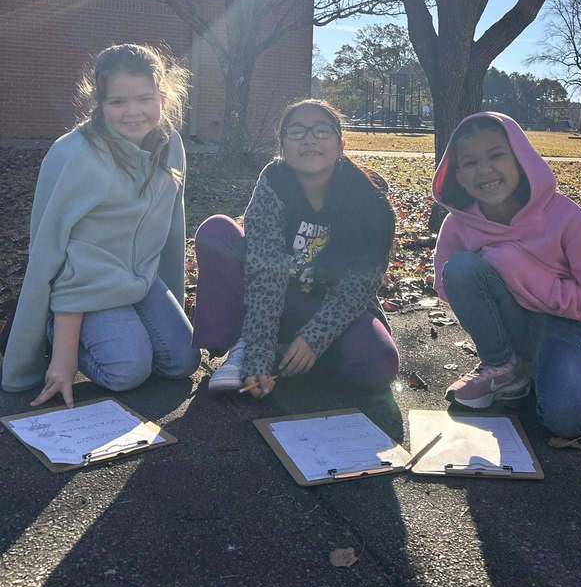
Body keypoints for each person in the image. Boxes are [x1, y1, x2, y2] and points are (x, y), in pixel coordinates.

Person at [1, 44, 200, 404]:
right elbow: (55, 253)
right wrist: (64, 356)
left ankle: (123, 331)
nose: (133, 112)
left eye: (145, 98)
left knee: (181, 361)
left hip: (138, 280)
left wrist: (171, 293)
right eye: (117, 102)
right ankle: (57, 331)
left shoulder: (170, 145)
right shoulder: (75, 155)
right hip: (82, 290)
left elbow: (171, 230)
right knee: (127, 371)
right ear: (98, 103)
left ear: (164, 96)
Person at [193, 100, 399, 396]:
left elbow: (361, 283)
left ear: (341, 143)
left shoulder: (368, 194)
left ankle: (295, 352)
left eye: (322, 130)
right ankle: (245, 345)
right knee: (217, 231)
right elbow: (266, 275)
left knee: (378, 364)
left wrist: (315, 338)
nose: (310, 139)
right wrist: (258, 357)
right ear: (282, 146)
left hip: (332, 305)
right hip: (279, 297)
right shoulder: (273, 183)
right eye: (297, 131)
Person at [432, 112, 581, 438]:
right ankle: (503, 367)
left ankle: (539, 370)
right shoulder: (458, 223)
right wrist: (495, 277)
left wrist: (520, 272)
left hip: (557, 324)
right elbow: (448, 286)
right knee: (460, 267)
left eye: (497, 155)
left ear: (521, 160)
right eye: (470, 162)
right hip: (504, 325)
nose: (485, 170)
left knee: (566, 423)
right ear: (458, 175)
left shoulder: (566, 217)